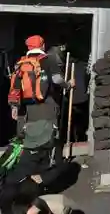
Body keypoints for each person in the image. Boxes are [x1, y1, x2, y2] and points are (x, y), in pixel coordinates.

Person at [7, 36, 74, 180]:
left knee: (31, 140)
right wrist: (68, 84)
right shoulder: (49, 59)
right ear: (43, 45)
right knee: (49, 139)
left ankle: (28, 173)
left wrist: (14, 107)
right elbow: (57, 80)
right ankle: (49, 173)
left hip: (27, 111)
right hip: (47, 107)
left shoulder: (20, 63)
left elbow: (15, 87)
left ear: (28, 47)